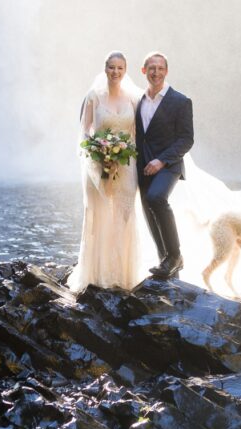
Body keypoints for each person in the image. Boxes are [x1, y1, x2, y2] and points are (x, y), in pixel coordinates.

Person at [67, 52, 147, 293]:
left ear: (125, 70)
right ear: (105, 69)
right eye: (111, 67)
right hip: (98, 164)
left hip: (126, 163)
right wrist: (97, 153)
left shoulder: (133, 98)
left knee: (124, 215)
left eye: (120, 68)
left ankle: (123, 275)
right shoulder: (93, 97)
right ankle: (97, 274)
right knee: (99, 215)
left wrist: (127, 153)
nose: (115, 72)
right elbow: (84, 132)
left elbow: (138, 133)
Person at [136, 51, 194, 279]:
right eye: (152, 68)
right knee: (149, 213)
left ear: (166, 71)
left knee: (156, 198)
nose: (156, 72)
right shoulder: (138, 100)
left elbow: (186, 139)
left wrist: (161, 161)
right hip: (142, 165)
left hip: (169, 164)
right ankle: (167, 266)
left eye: (160, 68)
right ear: (144, 71)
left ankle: (176, 255)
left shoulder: (180, 101)